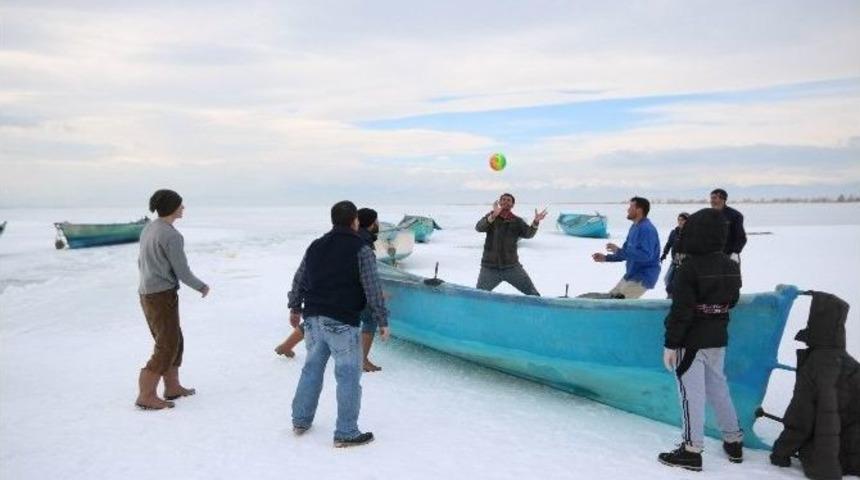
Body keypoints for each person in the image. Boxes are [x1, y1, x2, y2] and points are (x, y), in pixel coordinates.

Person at [289, 201, 389, 448]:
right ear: (354, 220)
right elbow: (372, 286)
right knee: (347, 376)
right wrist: (382, 319)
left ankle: (300, 420)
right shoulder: (361, 248)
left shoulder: (316, 245)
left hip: (312, 318)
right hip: (343, 321)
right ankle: (346, 432)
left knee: (311, 369)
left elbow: (300, 277)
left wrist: (294, 306)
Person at [658, 208, 744, 472]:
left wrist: (671, 344)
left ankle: (691, 451)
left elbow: (681, 310)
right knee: (719, 389)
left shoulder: (689, 268)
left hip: (691, 341)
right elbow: (733, 302)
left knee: (690, 396)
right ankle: (734, 441)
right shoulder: (732, 265)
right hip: (718, 338)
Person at [275, 208, 385, 372]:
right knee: (369, 319)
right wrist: (377, 299)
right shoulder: (362, 243)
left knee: (320, 316)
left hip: (328, 289)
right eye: (376, 220)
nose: (378, 224)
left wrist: (295, 305)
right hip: (349, 293)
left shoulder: (336, 239)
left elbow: (302, 275)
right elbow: (362, 275)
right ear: (370, 223)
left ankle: (286, 346)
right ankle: (362, 360)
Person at [135, 189, 210, 410]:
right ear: (173, 208)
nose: (183, 208)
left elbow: (141, 262)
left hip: (147, 292)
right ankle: (146, 395)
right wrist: (201, 286)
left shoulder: (149, 228)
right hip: (160, 295)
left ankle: (173, 387)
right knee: (167, 344)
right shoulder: (172, 235)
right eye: (181, 204)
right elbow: (182, 271)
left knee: (174, 339)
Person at [582, 197, 660, 299]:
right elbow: (625, 253)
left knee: (616, 303)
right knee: (609, 298)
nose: (628, 210)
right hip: (630, 275)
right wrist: (606, 258)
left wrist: (618, 250)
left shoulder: (647, 229)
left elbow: (646, 255)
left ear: (639, 210)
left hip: (643, 277)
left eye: (631, 207)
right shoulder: (634, 227)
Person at [475, 193, 547, 296]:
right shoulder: (491, 217)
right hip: (489, 268)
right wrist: (493, 216)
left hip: (512, 267)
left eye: (509, 200)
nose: (505, 202)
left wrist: (535, 222)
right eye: (503, 199)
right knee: (479, 297)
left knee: (533, 295)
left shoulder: (517, 221)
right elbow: (479, 227)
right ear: (499, 202)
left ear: (512, 205)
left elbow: (528, 233)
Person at [709, 188, 746, 263]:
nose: (711, 201)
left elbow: (741, 237)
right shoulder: (707, 215)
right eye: (711, 198)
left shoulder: (735, 215)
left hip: (729, 256)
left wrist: (735, 252)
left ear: (723, 199)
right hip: (711, 256)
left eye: (714, 198)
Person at [661, 212, 689, 298]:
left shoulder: (691, 233)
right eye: (679, 220)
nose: (680, 222)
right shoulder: (674, 232)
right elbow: (669, 244)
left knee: (676, 281)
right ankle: (671, 295)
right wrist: (664, 254)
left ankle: (673, 297)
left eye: (683, 220)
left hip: (684, 261)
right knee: (667, 279)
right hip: (675, 260)